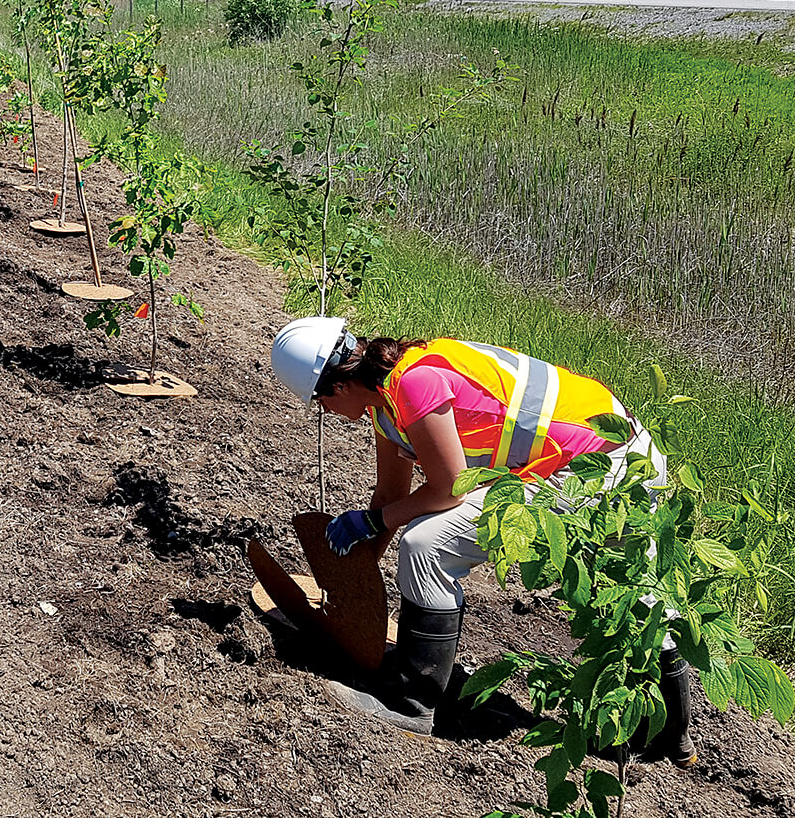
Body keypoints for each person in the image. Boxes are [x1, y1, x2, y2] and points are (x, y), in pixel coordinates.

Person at [269, 317, 695, 764]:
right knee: (632, 592)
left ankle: (413, 703)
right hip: (612, 455)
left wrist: (373, 523)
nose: (324, 413)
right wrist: (353, 579)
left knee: (427, 544)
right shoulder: (386, 398)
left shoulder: (414, 384)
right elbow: (391, 496)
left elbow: (448, 487)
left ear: (336, 389)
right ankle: (673, 735)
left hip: (605, 470)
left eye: (318, 403)